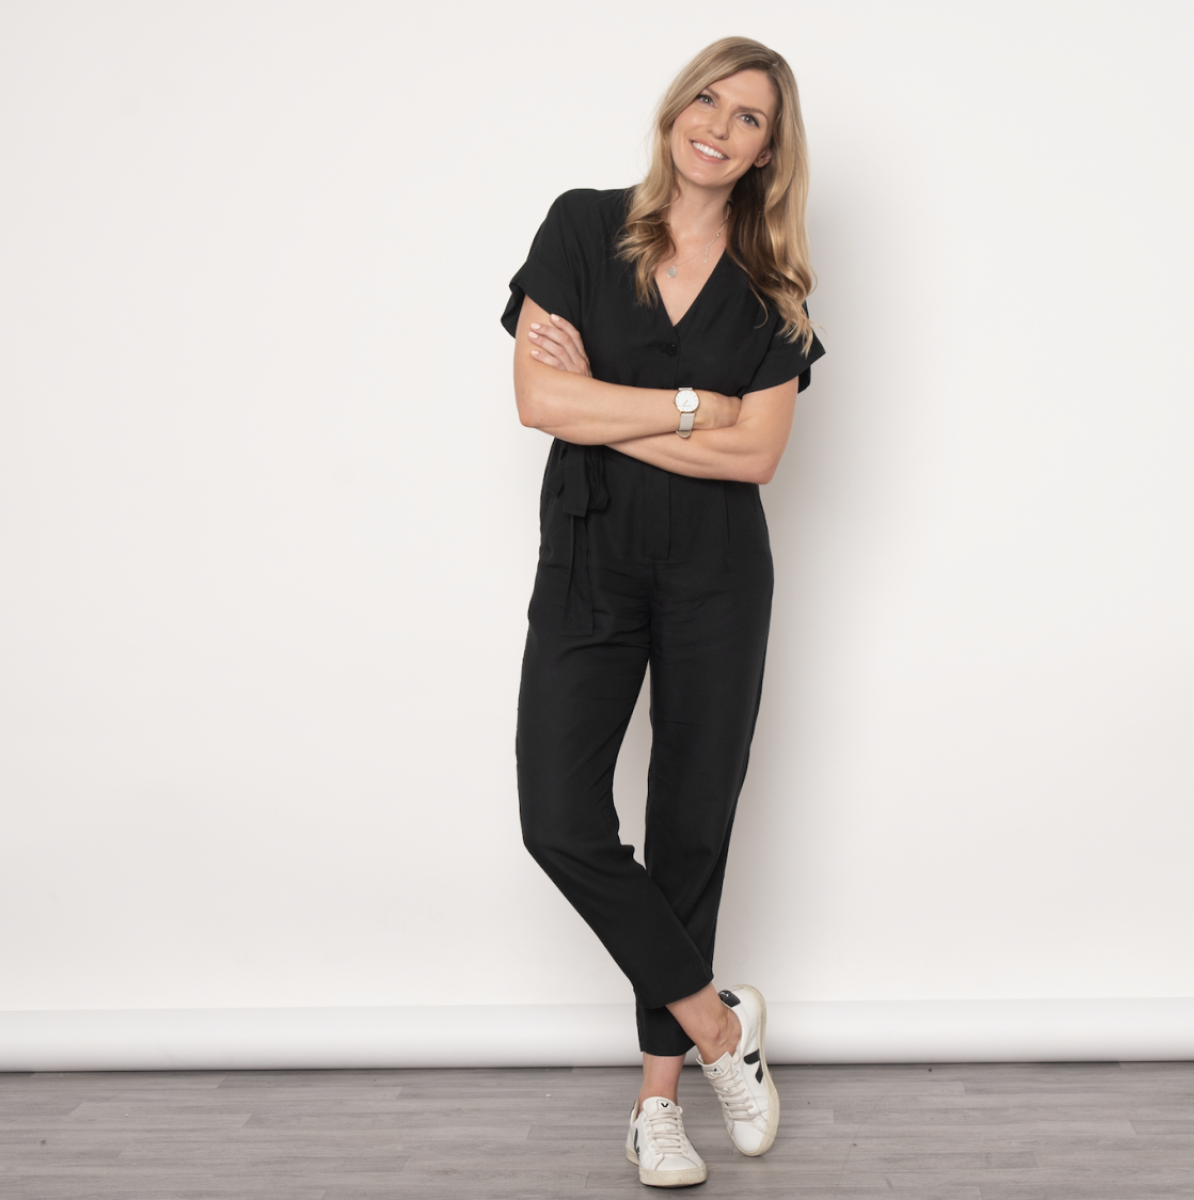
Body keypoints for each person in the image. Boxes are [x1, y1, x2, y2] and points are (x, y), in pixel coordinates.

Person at [501, 35, 825, 1188]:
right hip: (589, 559)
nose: (719, 128)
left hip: (717, 579)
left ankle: (658, 1103)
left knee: (690, 826)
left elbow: (759, 458)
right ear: (676, 108)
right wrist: (697, 406)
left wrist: (612, 402)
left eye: (749, 118)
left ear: (768, 151)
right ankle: (721, 1028)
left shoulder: (774, 290)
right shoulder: (582, 227)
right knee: (559, 818)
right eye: (709, 101)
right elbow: (540, 401)